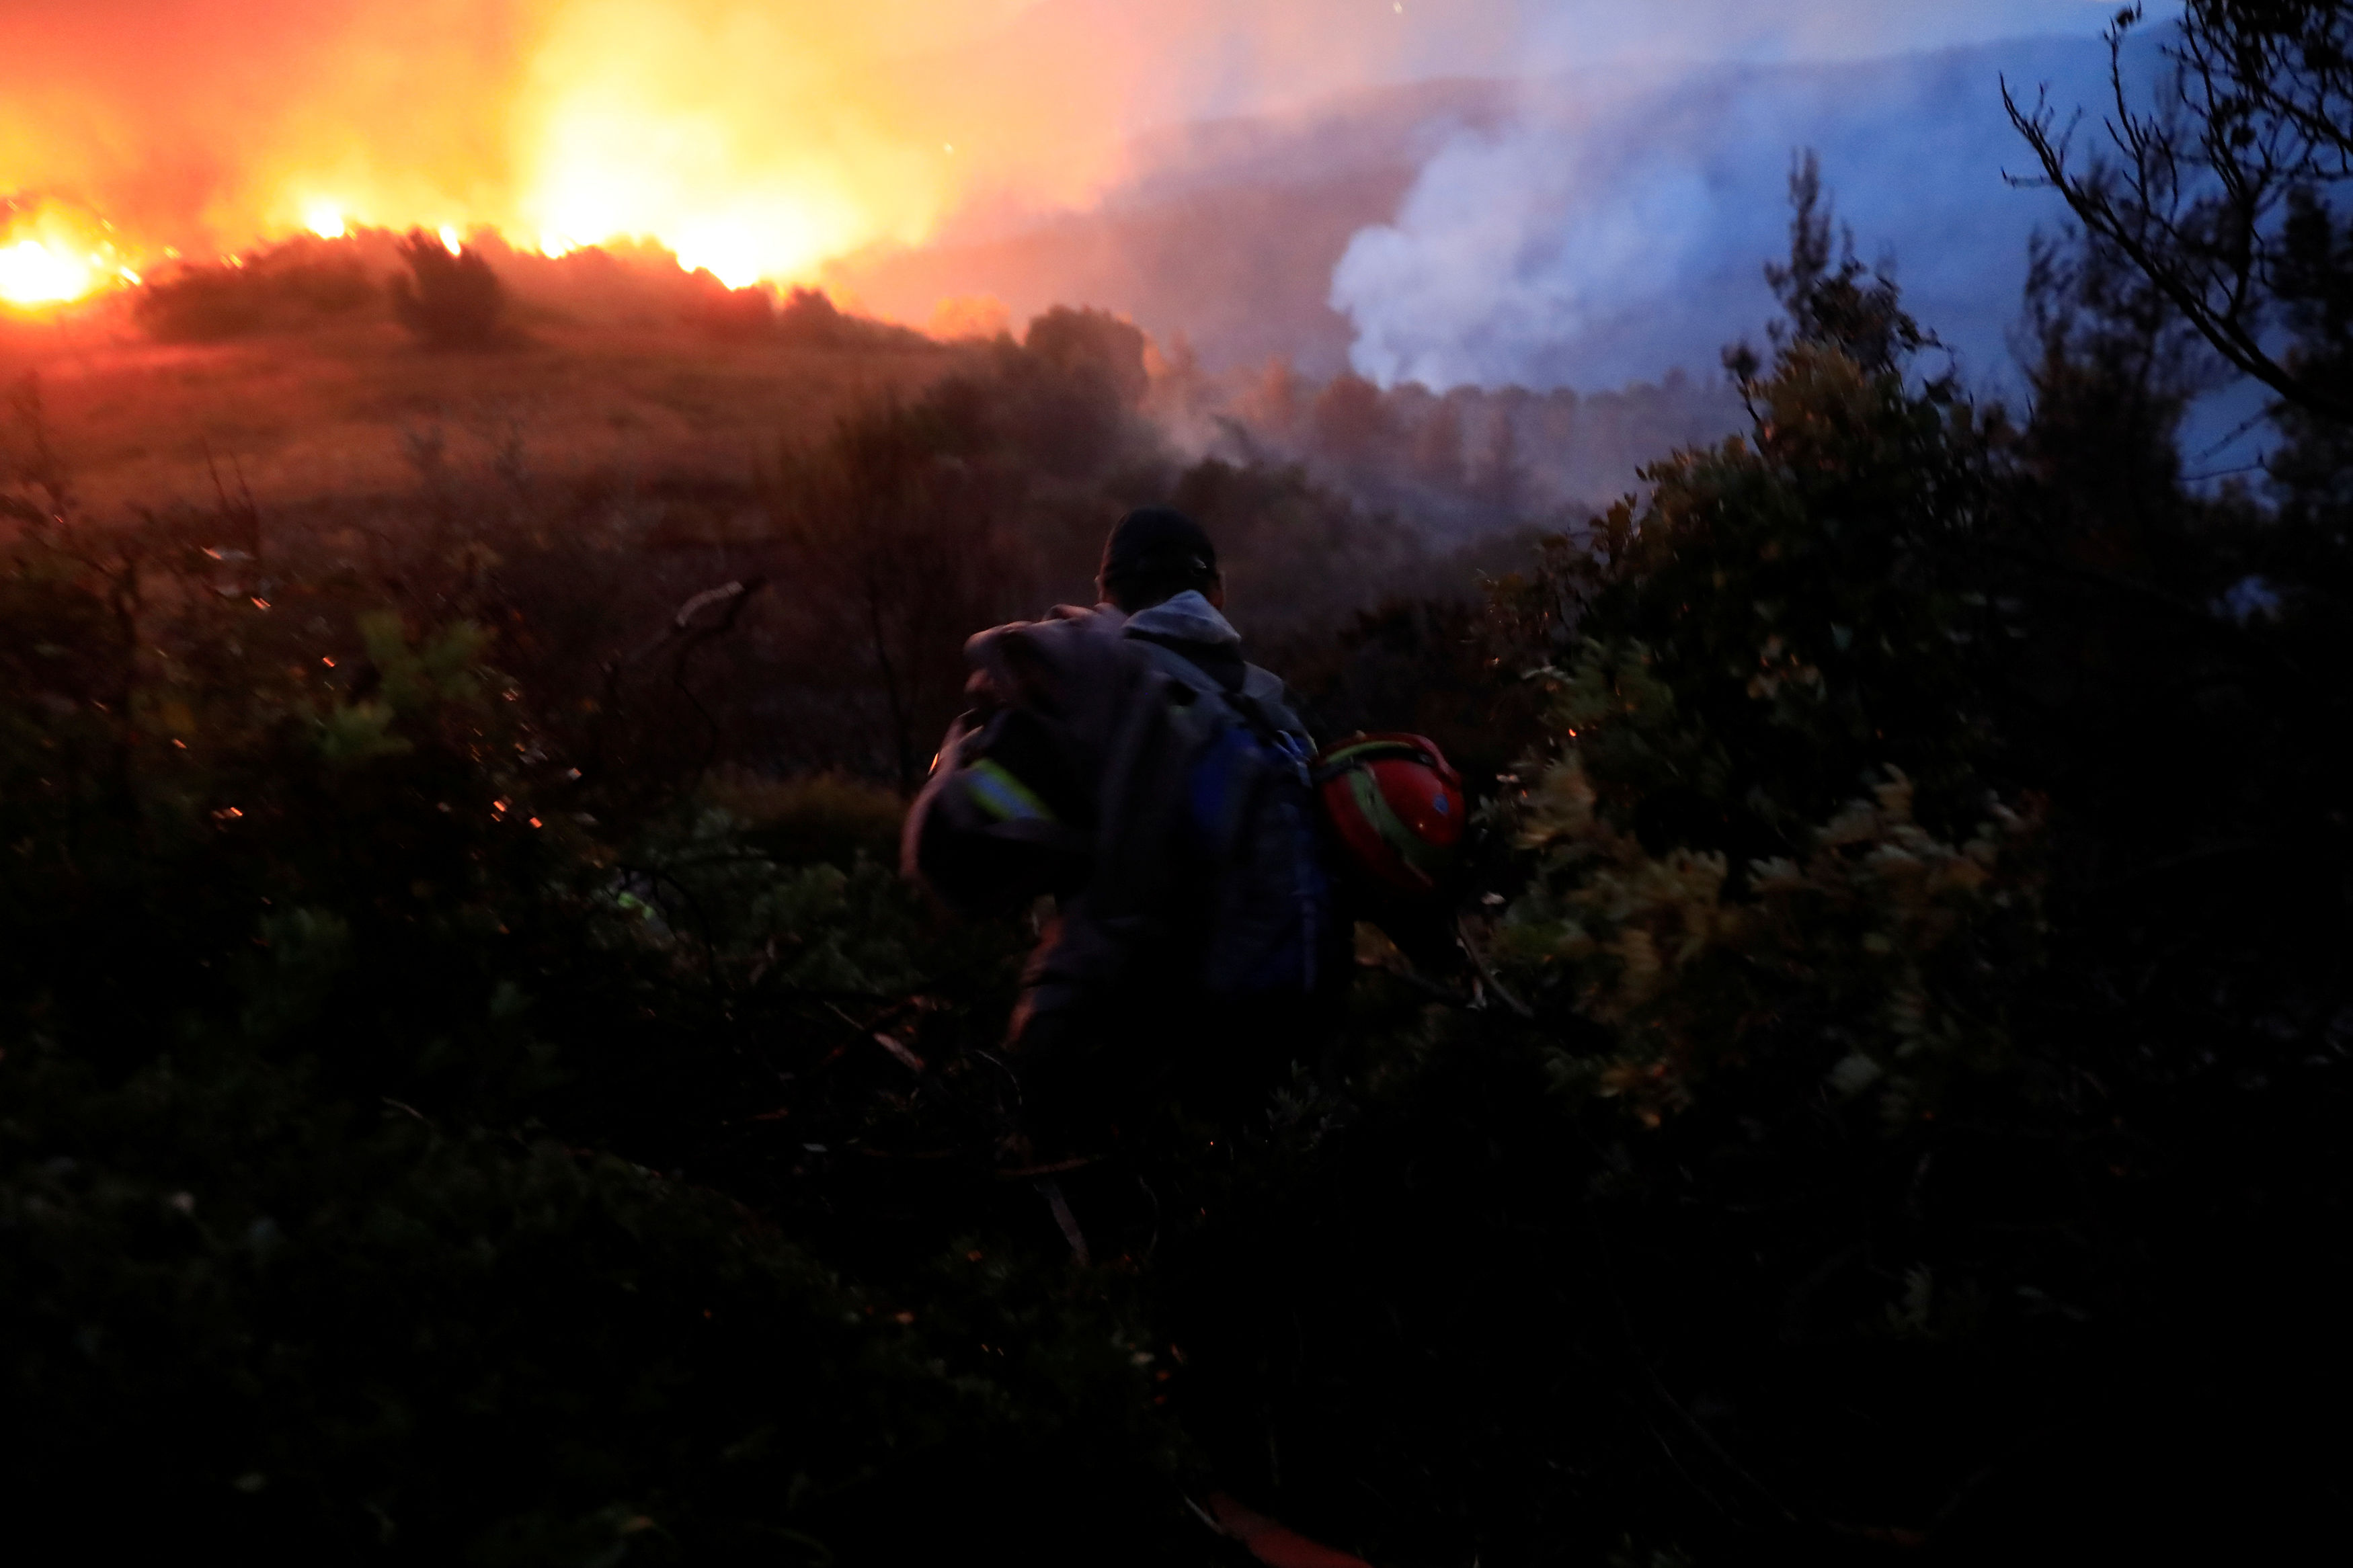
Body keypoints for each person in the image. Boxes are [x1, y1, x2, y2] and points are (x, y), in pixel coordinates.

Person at [903, 506, 1343, 1188]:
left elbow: (954, 856)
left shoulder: (1105, 684)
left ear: (1105, 592)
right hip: (1299, 1058)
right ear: (1216, 595)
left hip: (1145, 1051)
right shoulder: (1275, 714)